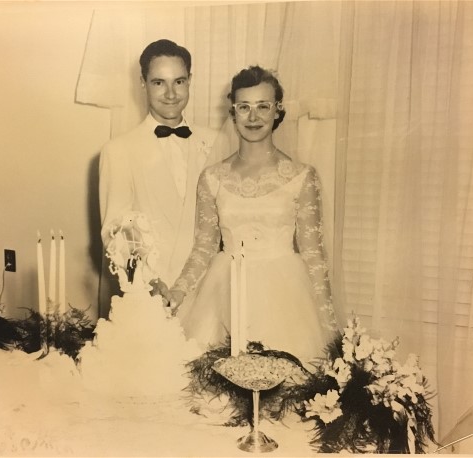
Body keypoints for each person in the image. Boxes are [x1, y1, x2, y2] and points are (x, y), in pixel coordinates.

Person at [166, 65, 339, 364]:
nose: (253, 116)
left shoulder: (302, 176)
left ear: (277, 111)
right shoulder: (212, 177)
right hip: (224, 294)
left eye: (263, 106)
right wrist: (177, 293)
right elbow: (204, 248)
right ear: (233, 112)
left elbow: (314, 258)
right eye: (244, 107)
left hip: (286, 299)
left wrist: (330, 330)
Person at [99, 39, 218, 306]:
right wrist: (149, 282)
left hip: (210, 290)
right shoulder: (118, 150)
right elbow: (116, 229)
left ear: (190, 80)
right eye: (158, 82)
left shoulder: (216, 143)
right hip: (152, 293)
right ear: (142, 83)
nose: (171, 93)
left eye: (179, 81)